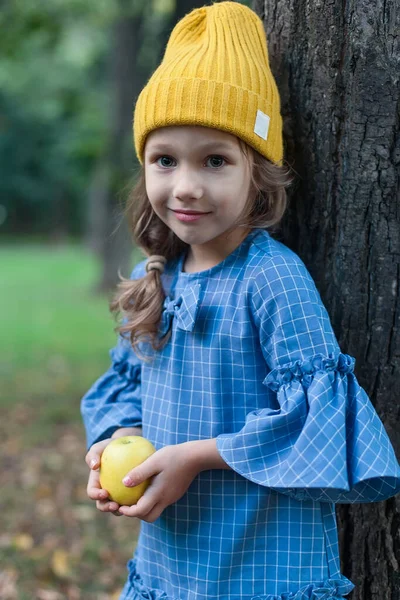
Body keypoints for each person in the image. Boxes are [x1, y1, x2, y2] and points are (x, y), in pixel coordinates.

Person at [81, 2, 400, 599]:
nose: (186, 186)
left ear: (259, 173)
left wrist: (193, 458)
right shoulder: (158, 276)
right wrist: (114, 440)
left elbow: (312, 421)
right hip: (175, 557)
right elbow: (126, 383)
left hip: (261, 556)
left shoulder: (271, 278)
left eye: (216, 161)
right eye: (165, 159)